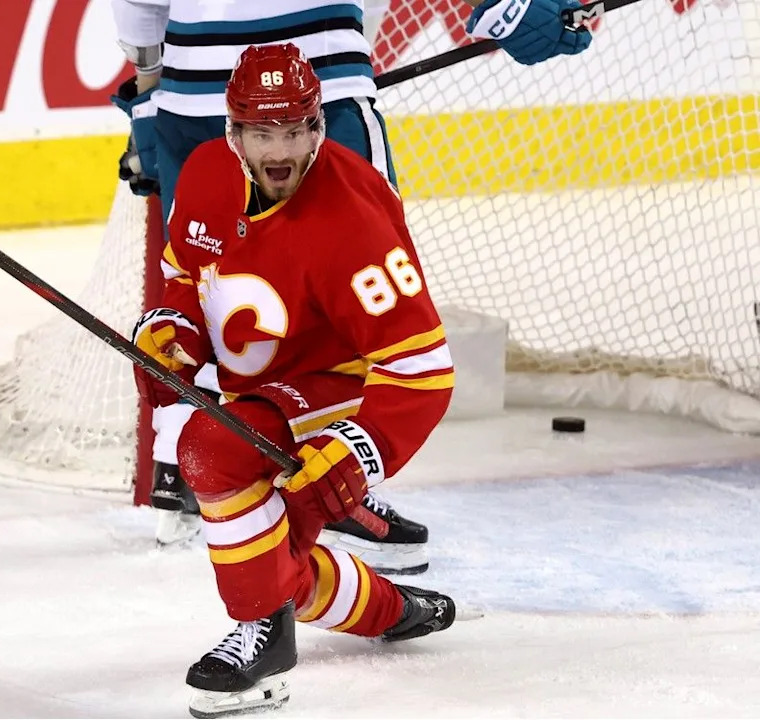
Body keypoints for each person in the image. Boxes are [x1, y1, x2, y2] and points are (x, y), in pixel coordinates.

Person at [111, 0, 591, 564]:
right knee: (328, 299)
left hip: (188, 92)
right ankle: (325, 491)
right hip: (320, 78)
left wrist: (148, 82)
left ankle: (192, 474)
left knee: (212, 275)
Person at [132, 43, 459, 718]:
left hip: (336, 384)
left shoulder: (353, 217)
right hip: (257, 391)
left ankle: (265, 638)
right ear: (234, 132)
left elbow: (422, 369)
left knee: (210, 450)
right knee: (276, 554)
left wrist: (363, 447)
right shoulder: (202, 174)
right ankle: (395, 611)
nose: (277, 151)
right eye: (260, 133)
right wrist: (174, 335)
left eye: (291, 131)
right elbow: (186, 281)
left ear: (317, 128)